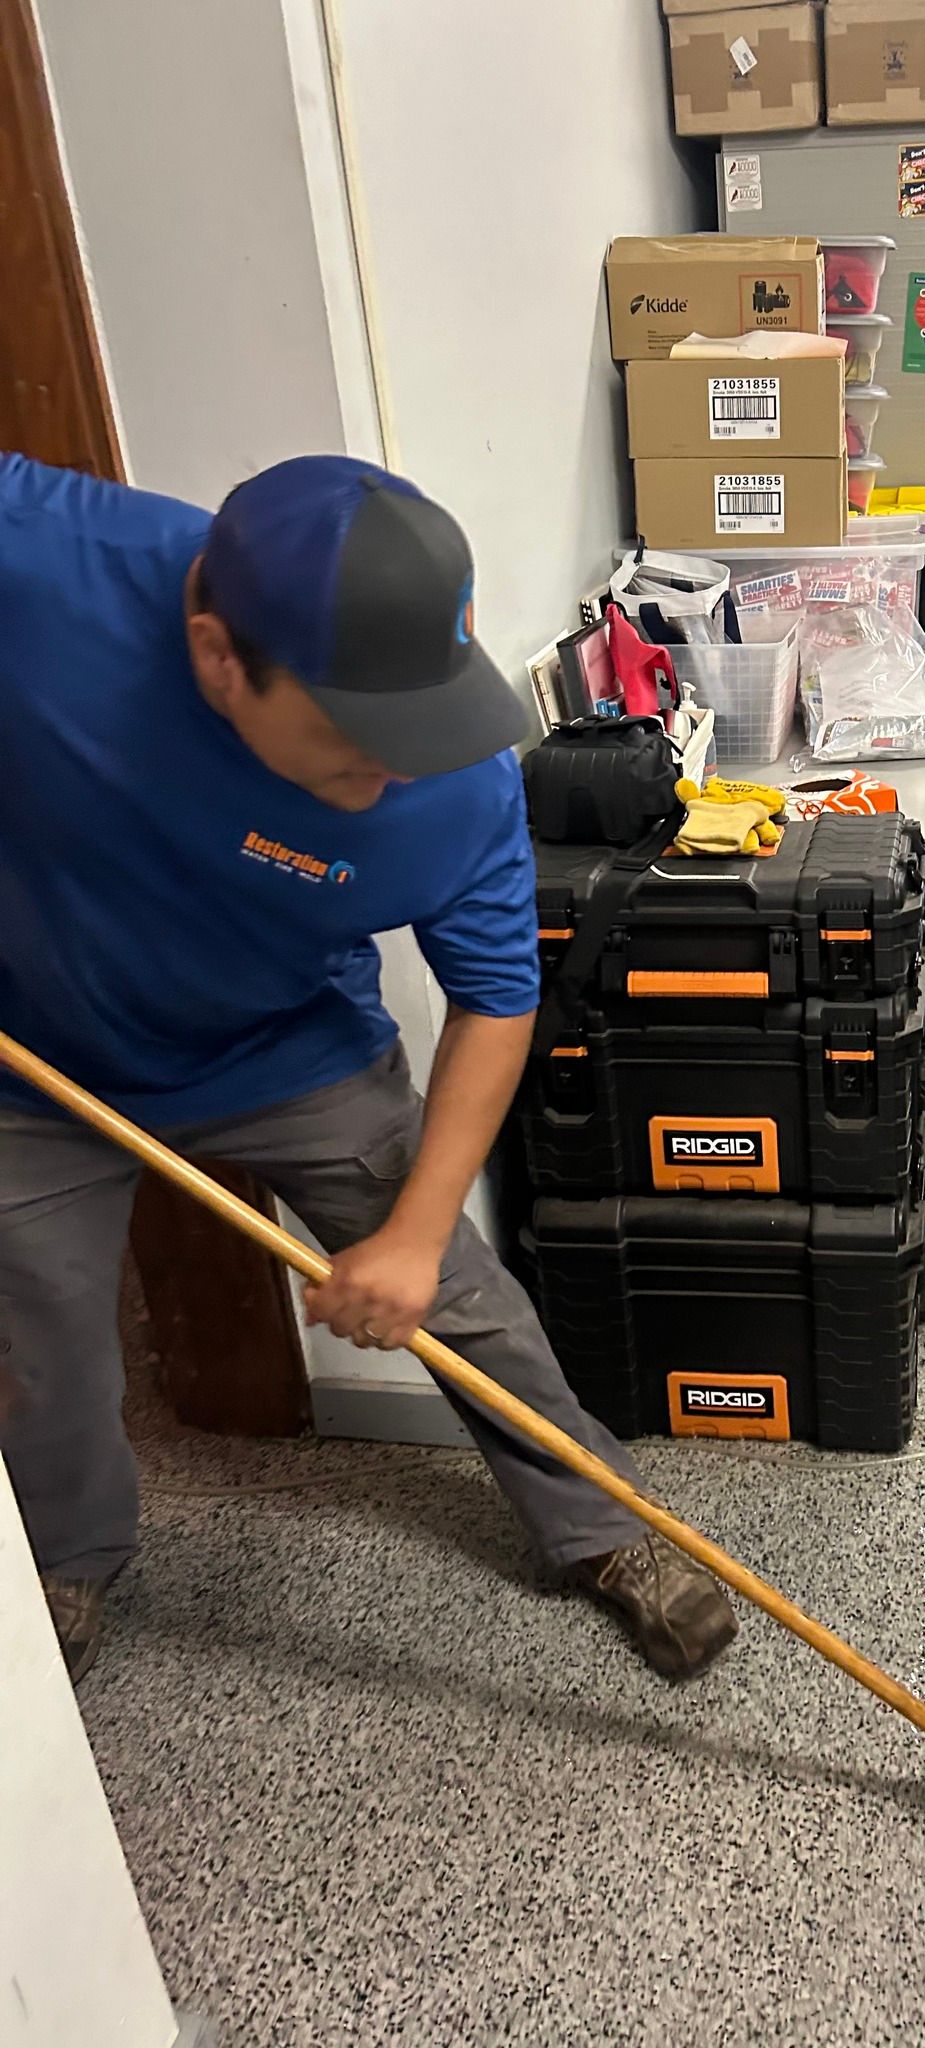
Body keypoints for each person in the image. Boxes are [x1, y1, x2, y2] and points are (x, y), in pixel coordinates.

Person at [0, 451, 737, 1683]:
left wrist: (410, 1230)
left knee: (456, 1290)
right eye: (355, 742)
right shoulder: (44, 570)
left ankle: (607, 1527)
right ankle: (66, 1565)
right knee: (41, 1334)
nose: (394, 772)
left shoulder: (451, 784)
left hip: (289, 1046)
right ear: (217, 656)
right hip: (42, 1060)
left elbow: (499, 998)